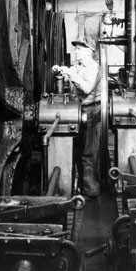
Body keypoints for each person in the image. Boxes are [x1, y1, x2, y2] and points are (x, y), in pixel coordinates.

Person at [52, 35, 101, 199]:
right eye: (76, 48)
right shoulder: (78, 65)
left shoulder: (93, 67)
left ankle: (91, 190)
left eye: (79, 49)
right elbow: (68, 78)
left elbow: (86, 88)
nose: (76, 51)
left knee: (87, 153)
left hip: (91, 112)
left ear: (89, 51)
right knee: (79, 150)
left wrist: (71, 74)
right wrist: (59, 70)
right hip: (78, 111)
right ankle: (79, 186)